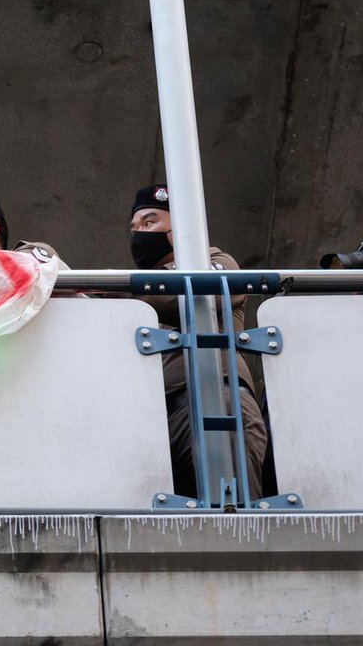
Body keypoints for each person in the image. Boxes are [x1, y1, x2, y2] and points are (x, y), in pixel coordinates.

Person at [128, 183, 267, 500]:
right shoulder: (136, 296)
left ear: (179, 229)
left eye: (150, 223)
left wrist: (125, 292)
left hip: (219, 398)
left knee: (236, 523)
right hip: (160, 419)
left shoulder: (216, 260)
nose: (138, 234)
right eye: (134, 227)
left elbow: (204, 290)